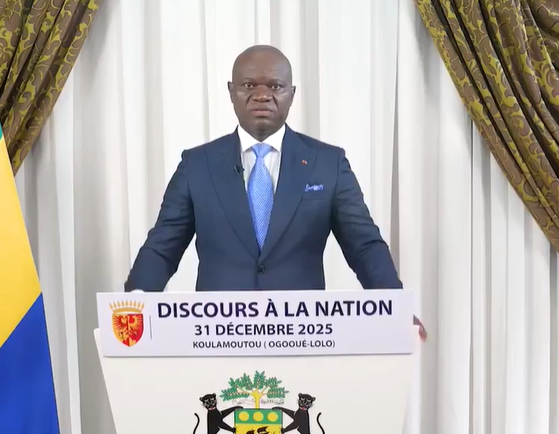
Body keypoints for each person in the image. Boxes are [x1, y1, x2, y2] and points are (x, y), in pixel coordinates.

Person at [124, 45, 426, 340]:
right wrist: (134, 304)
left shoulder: (327, 163)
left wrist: (396, 307)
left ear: (291, 94)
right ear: (231, 91)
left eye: (275, 86)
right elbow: (163, 248)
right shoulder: (197, 165)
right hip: (218, 338)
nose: (262, 95)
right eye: (249, 85)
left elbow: (364, 246)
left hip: (302, 338)